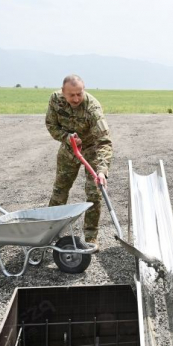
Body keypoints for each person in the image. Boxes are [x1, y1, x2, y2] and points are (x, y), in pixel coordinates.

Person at [46, 75, 113, 247]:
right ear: (63, 93)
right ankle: (48, 232)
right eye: (71, 95)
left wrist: (102, 170)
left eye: (79, 94)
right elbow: (51, 126)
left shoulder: (92, 108)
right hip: (69, 149)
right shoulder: (55, 100)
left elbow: (104, 142)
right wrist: (67, 138)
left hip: (91, 150)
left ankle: (90, 237)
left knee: (94, 193)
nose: (76, 98)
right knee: (59, 190)